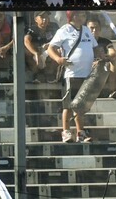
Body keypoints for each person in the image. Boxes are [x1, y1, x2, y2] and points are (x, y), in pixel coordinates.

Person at [46, 12, 99, 142]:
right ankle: (66, 132)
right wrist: (58, 59)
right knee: (68, 106)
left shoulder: (86, 30)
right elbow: (50, 48)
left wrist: (99, 58)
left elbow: (95, 48)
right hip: (72, 74)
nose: (83, 17)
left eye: (83, 15)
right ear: (74, 16)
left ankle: (81, 133)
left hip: (86, 75)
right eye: (80, 15)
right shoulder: (64, 30)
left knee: (80, 106)